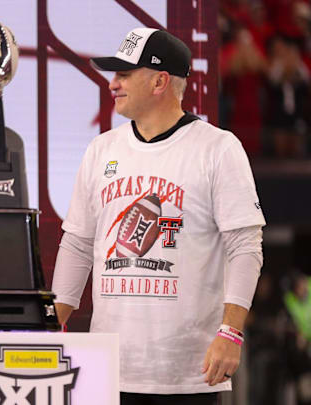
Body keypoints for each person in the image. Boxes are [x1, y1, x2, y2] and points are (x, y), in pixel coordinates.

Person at [51, 28, 265, 405]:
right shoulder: (102, 149)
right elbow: (78, 244)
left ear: (160, 81)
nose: (112, 83)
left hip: (188, 373)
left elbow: (245, 247)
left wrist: (231, 333)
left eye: (124, 74)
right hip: (110, 368)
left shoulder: (217, 148)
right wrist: (52, 321)